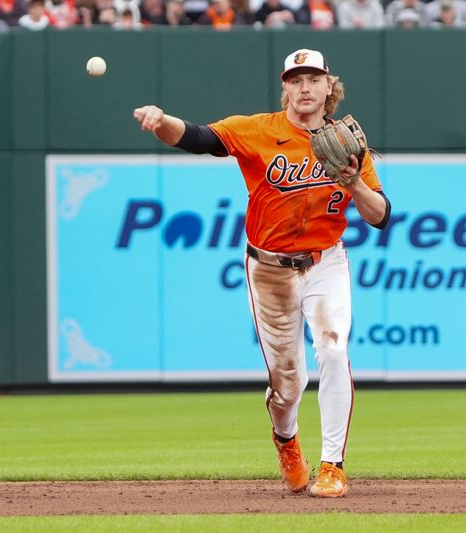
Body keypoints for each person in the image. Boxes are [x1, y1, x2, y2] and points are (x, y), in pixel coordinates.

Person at [132, 49, 390, 498]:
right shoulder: (257, 130)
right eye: (296, 79)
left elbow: (381, 216)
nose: (305, 87)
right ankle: (287, 441)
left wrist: (353, 182)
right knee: (288, 383)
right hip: (269, 269)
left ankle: (333, 464)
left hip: (325, 260)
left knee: (332, 349)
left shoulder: (349, 145)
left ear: (330, 86)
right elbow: (196, 137)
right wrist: (162, 120)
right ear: (284, 87)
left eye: (313, 79)